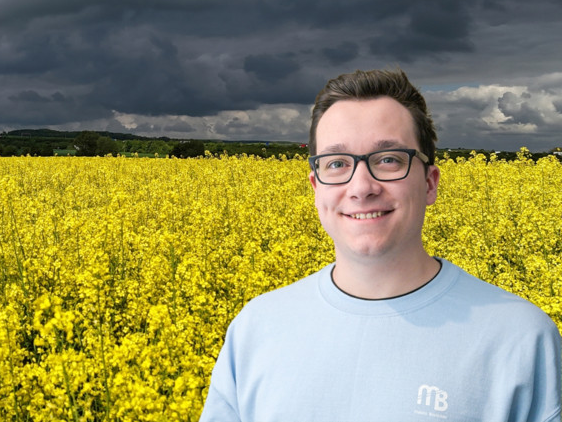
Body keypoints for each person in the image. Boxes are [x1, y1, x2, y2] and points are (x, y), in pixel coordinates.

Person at [199, 68, 562, 422]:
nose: (361, 187)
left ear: (430, 183)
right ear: (315, 187)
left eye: (388, 160)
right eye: (337, 163)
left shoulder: (521, 340)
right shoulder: (256, 329)